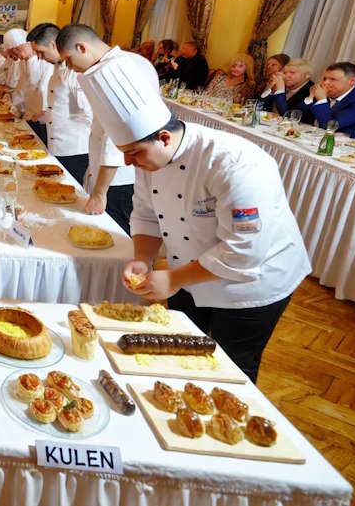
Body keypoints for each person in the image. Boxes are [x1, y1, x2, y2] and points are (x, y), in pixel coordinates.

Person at [92, 88, 309, 383]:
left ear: (164, 138)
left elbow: (243, 251)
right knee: (181, 348)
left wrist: (173, 279)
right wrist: (144, 259)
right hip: (188, 270)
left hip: (252, 284)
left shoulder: (234, 163)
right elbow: (145, 213)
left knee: (231, 367)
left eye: (133, 154)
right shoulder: (149, 158)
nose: (128, 164)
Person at [54, 23, 139, 235]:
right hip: (101, 171)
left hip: (117, 180)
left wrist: (100, 191)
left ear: (82, 48)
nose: (70, 67)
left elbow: (115, 139)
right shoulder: (104, 67)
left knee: (114, 241)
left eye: (69, 60)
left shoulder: (116, 70)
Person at [27, 23, 91, 186]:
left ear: (53, 45)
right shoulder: (57, 68)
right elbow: (64, 107)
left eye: (41, 52)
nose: (39, 57)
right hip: (57, 144)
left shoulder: (75, 71)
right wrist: (44, 115)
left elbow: (89, 114)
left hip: (76, 149)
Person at [306, 61, 355, 136]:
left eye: (333, 79)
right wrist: (311, 96)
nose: (325, 83)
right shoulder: (331, 92)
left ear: (352, 81)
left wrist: (321, 100)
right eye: (325, 79)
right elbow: (298, 116)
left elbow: (329, 127)